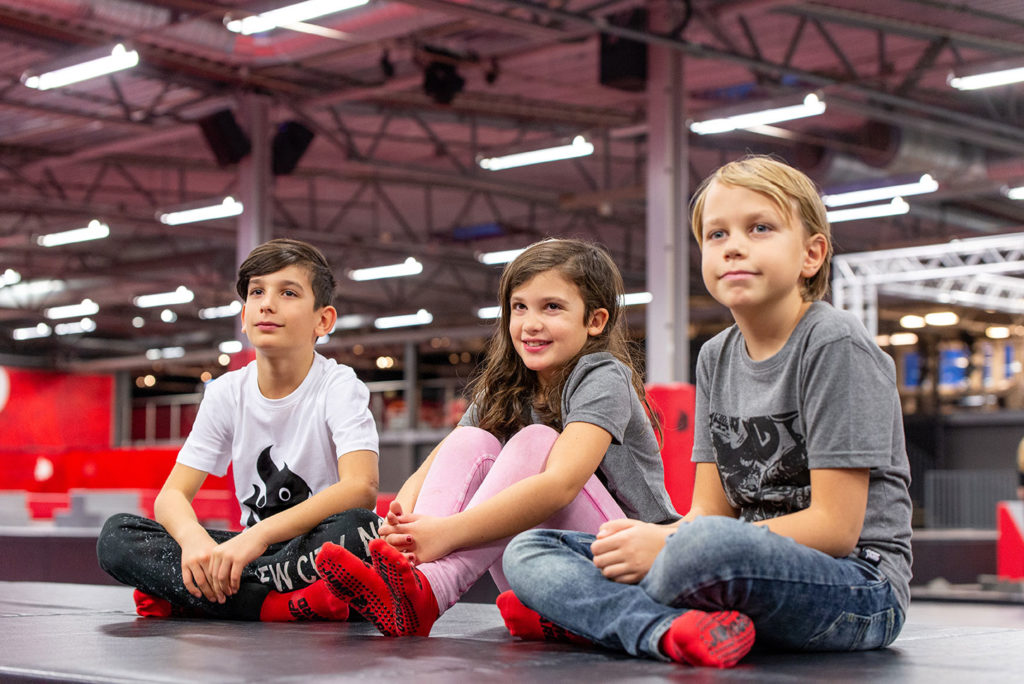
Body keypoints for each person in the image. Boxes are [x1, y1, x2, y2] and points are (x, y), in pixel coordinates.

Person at [499, 155, 914, 669]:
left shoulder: (833, 344)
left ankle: (588, 614)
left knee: (699, 550)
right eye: (716, 235)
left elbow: (834, 527)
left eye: (760, 228)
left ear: (812, 254)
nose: (734, 245)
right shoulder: (716, 356)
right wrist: (660, 539)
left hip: (856, 586)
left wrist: (673, 546)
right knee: (530, 550)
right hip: (731, 564)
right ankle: (667, 630)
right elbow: (708, 512)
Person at [314, 238, 678, 636]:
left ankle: (432, 588)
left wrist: (445, 533)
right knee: (471, 442)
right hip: (539, 566)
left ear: (595, 321)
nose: (531, 323)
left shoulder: (602, 376)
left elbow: (561, 486)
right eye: (519, 307)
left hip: (634, 569)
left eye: (552, 307)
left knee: (536, 440)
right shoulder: (510, 383)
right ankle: (414, 579)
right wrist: (402, 522)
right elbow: (447, 454)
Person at [97, 238, 382, 621]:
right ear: (244, 316)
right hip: (255, 554)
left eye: (288, 292)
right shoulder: (226, 392)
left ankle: (199, 595)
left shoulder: (339, 386)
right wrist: (194, 541)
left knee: (361, 529)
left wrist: (258, 536)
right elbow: (171, 498)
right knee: (117, 536)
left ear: (323, 320)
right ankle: (273, 605)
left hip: (309, 547)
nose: (267, 303)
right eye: (257, 292)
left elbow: (360, 488)